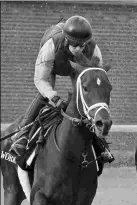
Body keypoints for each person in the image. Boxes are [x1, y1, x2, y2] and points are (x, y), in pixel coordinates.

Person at [11, 15, 114, 163]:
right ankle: (22, 135)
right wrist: (54, 98)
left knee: (84, 98)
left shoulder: (93, 49)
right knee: (44, 95)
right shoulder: (51, 46)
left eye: (82, 45)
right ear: (67, 40)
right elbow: (40, 80)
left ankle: (100, 144)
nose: (78, 49)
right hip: (53, 67)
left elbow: (94, 79)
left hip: (78, 68)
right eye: (75, 45)